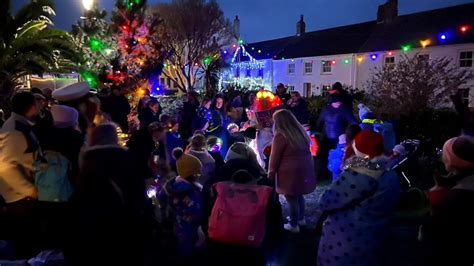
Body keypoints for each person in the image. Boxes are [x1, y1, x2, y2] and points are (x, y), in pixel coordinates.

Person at [317, 130, 401, 266]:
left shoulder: (357, 175)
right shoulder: (389, 173)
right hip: (375, 240)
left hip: (346, 244)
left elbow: (325, 201)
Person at [68, 123, 146, 266]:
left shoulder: (87, 163)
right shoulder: (127, 159)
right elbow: (137, 195)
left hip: (93, 231)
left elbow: (79, 199)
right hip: (124, 228)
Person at [422, 136, 474, 265]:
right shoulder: (460, 186)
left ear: (451, 160)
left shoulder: (454, 198)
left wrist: (434, 200)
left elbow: (431, 234)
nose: (441, 157)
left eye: (444, 154)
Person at [0, 92, 40, 258]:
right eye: (36, 103)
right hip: (20, 199)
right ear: (30, 107)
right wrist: (30, 190)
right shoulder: (15, 129)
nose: (40, 106)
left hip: (22, 196)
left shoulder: (20, 125)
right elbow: (6, 166)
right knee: (24, 243)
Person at [268, 109, 316, 233]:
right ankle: (301, 218)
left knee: (291, 197)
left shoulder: (281, 135)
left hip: (289, 171)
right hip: (304, 168)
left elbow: (274, 157)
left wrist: (271, 173)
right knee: (299, 194)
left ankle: (293, 224)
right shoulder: (300, 133)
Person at [164, 148, 203, 259]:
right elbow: (197, 211)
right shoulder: (191, 192)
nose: (200, 174)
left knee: (182, 244)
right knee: (189, 249)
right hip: (191, 229)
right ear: (193, 174)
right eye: (198, 171)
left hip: (178, 225)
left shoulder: (175, 186)